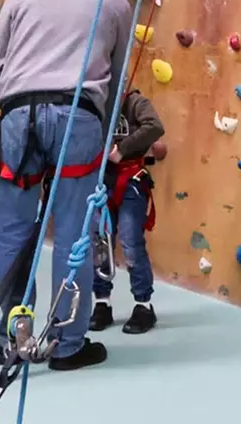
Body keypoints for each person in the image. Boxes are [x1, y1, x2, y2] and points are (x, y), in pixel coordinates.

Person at [0, 0, 135, 372]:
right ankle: (67, 345)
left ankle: (13, 338)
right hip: (78, 114)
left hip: (18, 114)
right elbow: (118, 79)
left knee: (13, 232)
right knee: (72, 233)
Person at [89, 87, 166, 335]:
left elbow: (154, 126)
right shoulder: (97, 101)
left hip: (130, 179)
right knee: (100, 243)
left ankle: (143, 304)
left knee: (131, 243)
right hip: (102, 180)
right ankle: (102, 301)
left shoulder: (134, 101)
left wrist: (122, 149)